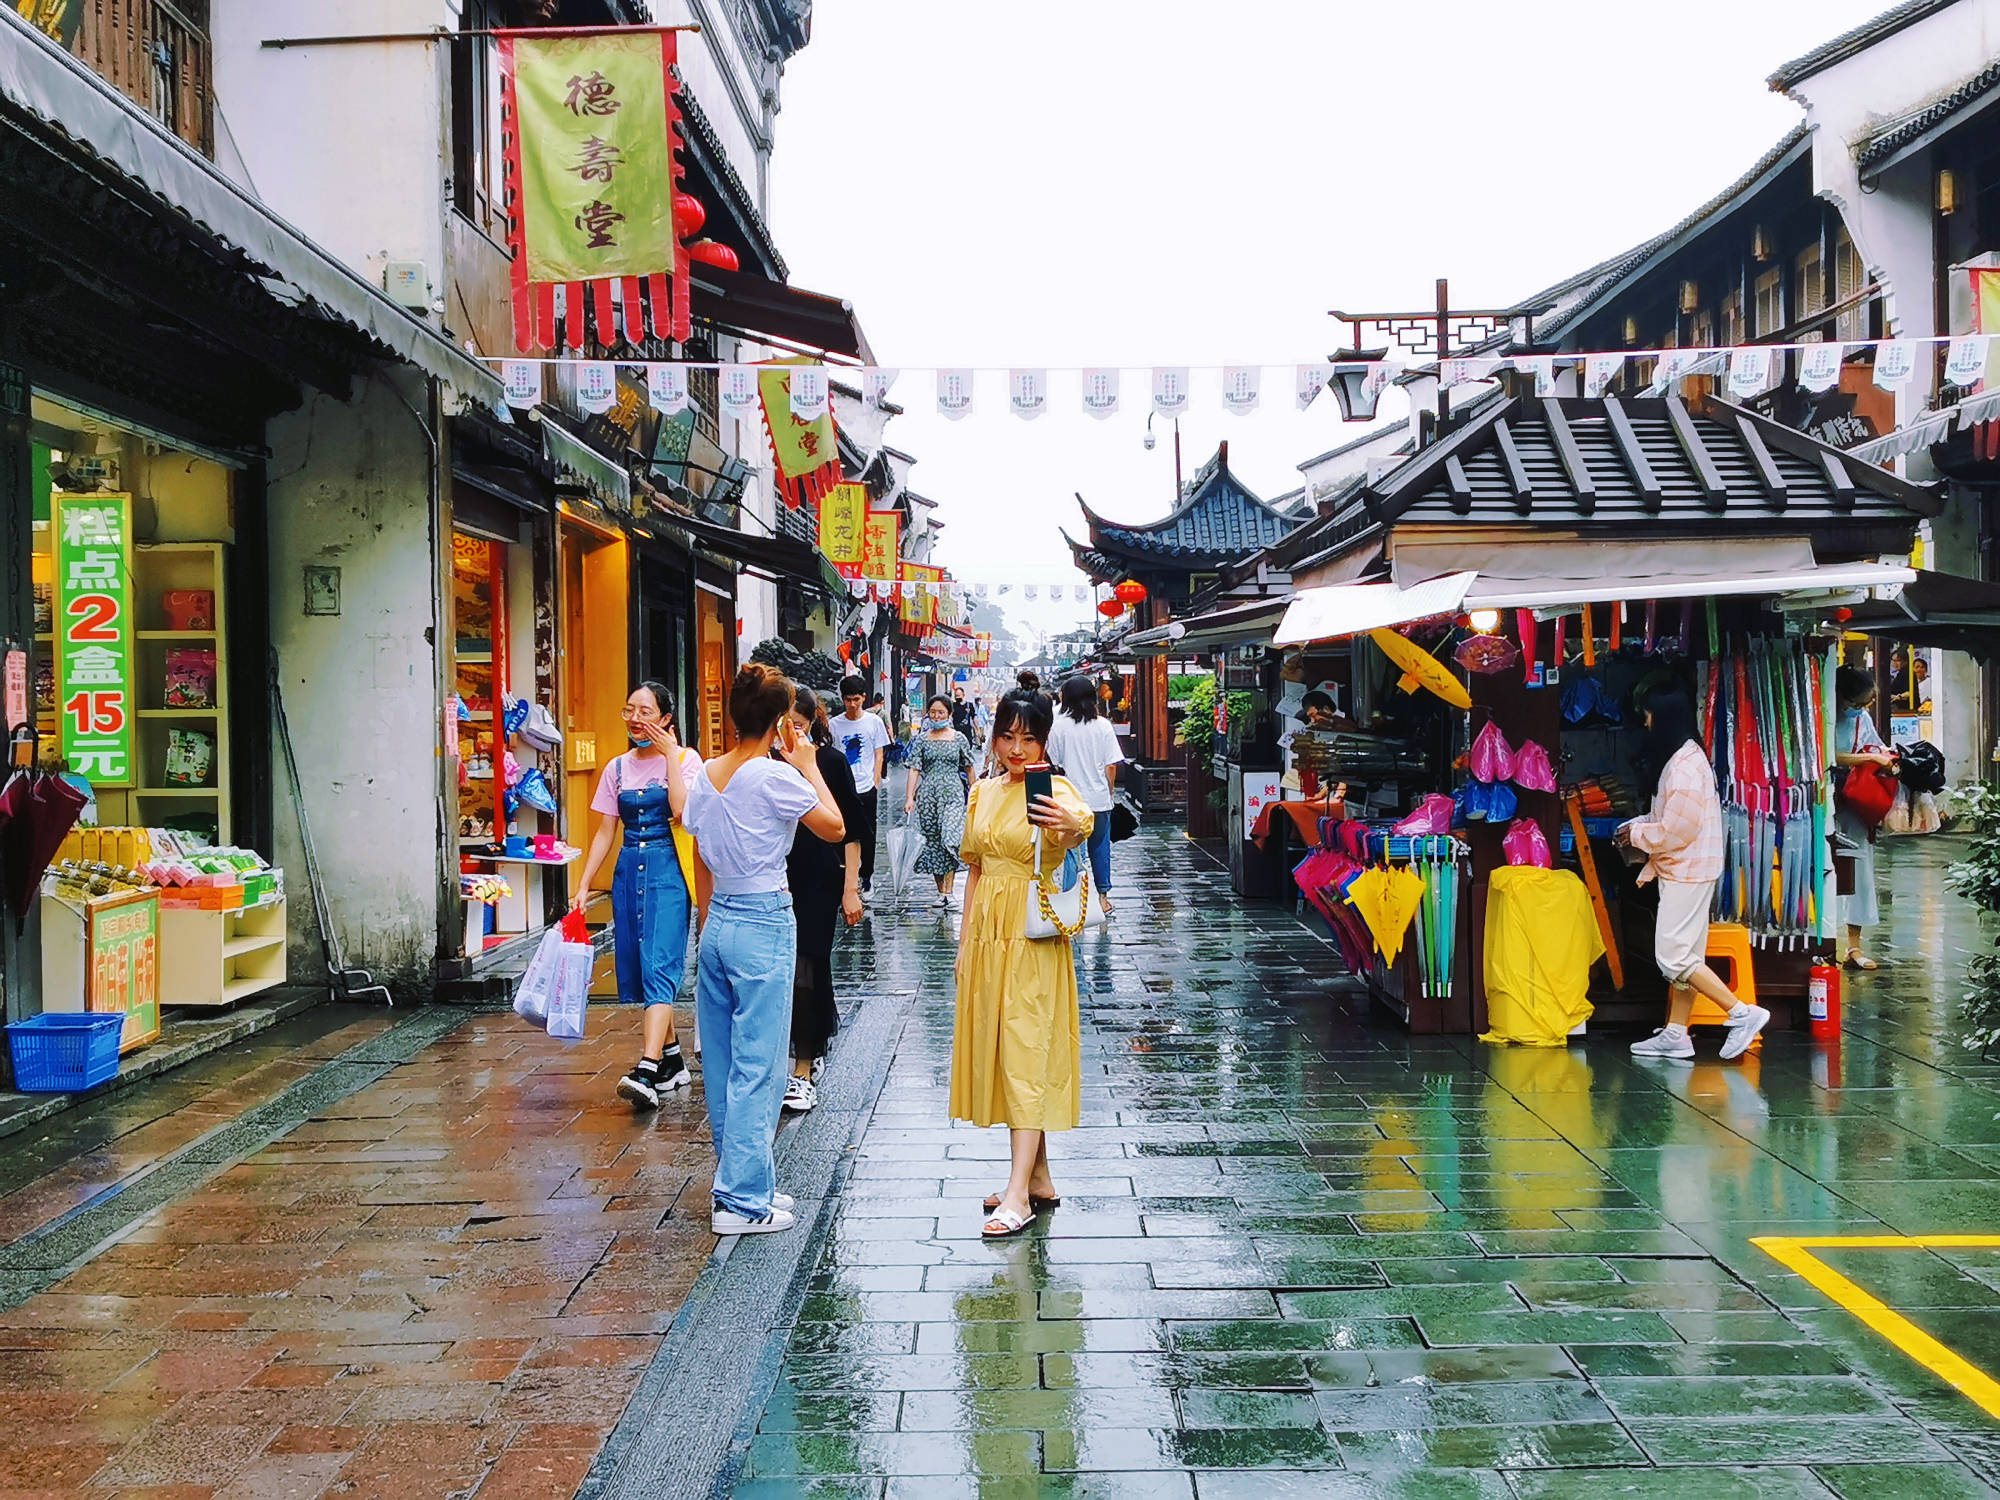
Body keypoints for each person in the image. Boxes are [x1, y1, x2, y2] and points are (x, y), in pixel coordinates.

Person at [666, 664, 844, 1234]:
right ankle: (741, 1200)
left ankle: (746, 1181)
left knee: (722, 1061)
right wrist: (810, 765)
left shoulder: (709, 773)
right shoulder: (773, 776)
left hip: (719, 920)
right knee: (759, 1064)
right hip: (763, 917)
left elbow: (688, 823)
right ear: (777, 723)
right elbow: (834, 826)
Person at [952, 689, 1093, 1238]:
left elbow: (1077, 825)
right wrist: (964, 942)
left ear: (1044, 740)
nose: (1016, 748)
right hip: (988, 935)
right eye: (1007, 735)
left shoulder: (1053, 788)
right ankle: (1037, 1177)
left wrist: (1067, 824)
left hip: (1031, 938)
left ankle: (1018, 1195)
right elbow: (975, 869)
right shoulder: (982, 792)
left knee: (1026, 1051)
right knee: (1004, 1047)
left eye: (1028, 737)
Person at [572, 681, 708, 1108]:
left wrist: (669, 756)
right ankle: (671, 1058)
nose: (635, 719)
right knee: (636, 958)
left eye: (645, 712)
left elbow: (684, 813)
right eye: (629, 710)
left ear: (666, 719)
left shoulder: (686, 760)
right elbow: (605, 831)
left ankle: (647, 1067)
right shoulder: (615, 768)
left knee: (661, 961)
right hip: (629, 869)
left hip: (669, 868)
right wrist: (584, 883)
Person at [1617, 686, 1770, 1062]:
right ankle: (1676, 1032)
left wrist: (1636, 834)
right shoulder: (1683, 758)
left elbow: (1676, 830)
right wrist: (1637, 825)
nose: (1646, 721)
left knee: (1674, 957)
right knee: (1688, 953)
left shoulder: (1684, 766)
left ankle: (1741, 1013)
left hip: (1688, 869)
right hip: (1691, 866)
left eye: (1650, 714)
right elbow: (1670, 821)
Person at [781, 686, 864, 1114]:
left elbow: (850, 830)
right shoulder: (768, 764)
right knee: (793, 965)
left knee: (809, 962)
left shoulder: (829, 762)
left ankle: (804, 1066)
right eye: (784, 725)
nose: (790, 734)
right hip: (777, 875)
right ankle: (816, 1034)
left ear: (813, 722)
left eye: (797, 725)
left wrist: (851, 887)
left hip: (818, 876)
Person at [1835, 666, 1898, 970]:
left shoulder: (1861, 718)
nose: (1861, 709)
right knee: (1819, 869)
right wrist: (1870, 758)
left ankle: (1853, 946)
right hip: (1824, 797)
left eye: (1867, 703)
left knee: (1859, 868)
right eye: (1857, 704)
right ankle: (1814, 941)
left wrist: (1884, 757)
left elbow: (1872, 744)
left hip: (1854, 800)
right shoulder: (1822, 713)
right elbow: (1827, 755)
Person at [1047, 673, 1123, 919]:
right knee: (1100, 848)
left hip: (1069, 801)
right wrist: (1109, 789)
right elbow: (1111, 765)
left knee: (1070, 850)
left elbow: (1054, 764)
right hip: (1099, 799)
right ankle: (1102, 899)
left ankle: (1071, 900)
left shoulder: (1057, 727)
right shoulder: (1103, 726)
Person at [905, 695, 976, 907]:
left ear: (949, 714)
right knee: (933, 842)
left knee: (950, 837)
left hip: (953, 794)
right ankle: (942, 893)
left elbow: (969, 767)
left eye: (941, 713)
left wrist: (975, 793)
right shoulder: (922, 739)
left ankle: (951, 889)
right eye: (933, 712)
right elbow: (914, 769)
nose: (937, 716)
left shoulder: (959, 738)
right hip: (928, 796)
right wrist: (910, 797)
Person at [833, 675, 892, 896]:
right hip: (844, 788)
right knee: (844, 833)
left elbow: (879, 754)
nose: (852, 704)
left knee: (868, 834)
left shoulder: (873, 722)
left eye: (856, 699)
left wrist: (875, 782)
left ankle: (867, 875)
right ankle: (847, 876)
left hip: (867, 787)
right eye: (848, 700)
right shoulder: (834, 724)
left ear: (864, 698)